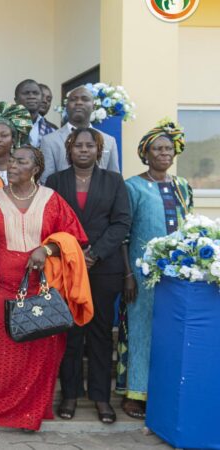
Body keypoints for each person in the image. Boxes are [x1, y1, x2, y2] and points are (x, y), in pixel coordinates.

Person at [0, 146, 93, 431]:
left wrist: (46, 249)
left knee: (37, 350)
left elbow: (74, 237)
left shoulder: (52, 199)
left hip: (40, 288)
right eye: (10, 160)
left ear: (35, 169)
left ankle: (28, 411)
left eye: (20, 161)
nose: (12, 165)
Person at [46, 127, 131, 424]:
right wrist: (73, 255)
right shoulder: (56, 181)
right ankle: (70, 394)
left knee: (99, 333)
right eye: (78, 145)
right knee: (70, 333)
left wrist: (93, 254)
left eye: (89, 146)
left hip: (103, 268)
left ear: (99, 150)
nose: (83, 150)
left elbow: (121, 223)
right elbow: (50, 222)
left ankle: (101, 398)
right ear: (69, 150)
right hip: (67, 268)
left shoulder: (114, 181)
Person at [121, 119, 192, 420]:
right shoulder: (133, 186)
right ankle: (135, 393)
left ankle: (164, 390)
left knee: (171, 330)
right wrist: (127, 275)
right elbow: (124, 235)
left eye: (168, 148)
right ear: (145, 154)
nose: (164, 153)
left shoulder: (183, 186)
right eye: (157, 149)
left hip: (177, 274)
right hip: (141, 275)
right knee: (141, 330)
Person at [40, 86, 120, 183]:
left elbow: (114, 180)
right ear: (66, 106)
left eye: (85, 99)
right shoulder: (49, 141)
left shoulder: (109, 141)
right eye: (73, 99)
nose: (79, 102)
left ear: (94, 106)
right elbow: (46, 182)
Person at [14, 79, 54, 147]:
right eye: (26, 93)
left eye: (35, 93)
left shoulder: (52, 131)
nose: (31, 96)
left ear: (41, 98)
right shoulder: (4, 125)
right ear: (16, 100)